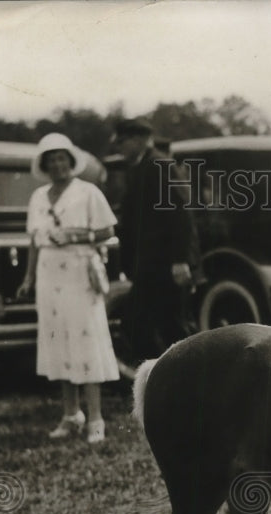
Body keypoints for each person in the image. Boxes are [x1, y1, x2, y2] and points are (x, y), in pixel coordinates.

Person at [17, 132, 119, 444]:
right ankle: (71, 414)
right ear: (44, 165)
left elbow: (107, 231)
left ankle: (96, 419)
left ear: (71, 161)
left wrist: (75, 237)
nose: (58, 165)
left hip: (78, 275)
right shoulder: (37, 197)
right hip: (49, 279)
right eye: (52, 160)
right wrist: (28, 277)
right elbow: (35, 242)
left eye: (62, 158)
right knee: (58, 340)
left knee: (85, 339)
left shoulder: (88, 192)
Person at [113, 118, 199, 364]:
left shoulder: (161, 166)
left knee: (174, 325)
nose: (120, 148)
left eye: (124, 142)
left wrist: (181, 261)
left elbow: (182, 215)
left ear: (138, 140)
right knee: (141, 323)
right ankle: (162, 378)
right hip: (148, 266)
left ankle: (193, 377)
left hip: (168, 265)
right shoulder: (140, 167)